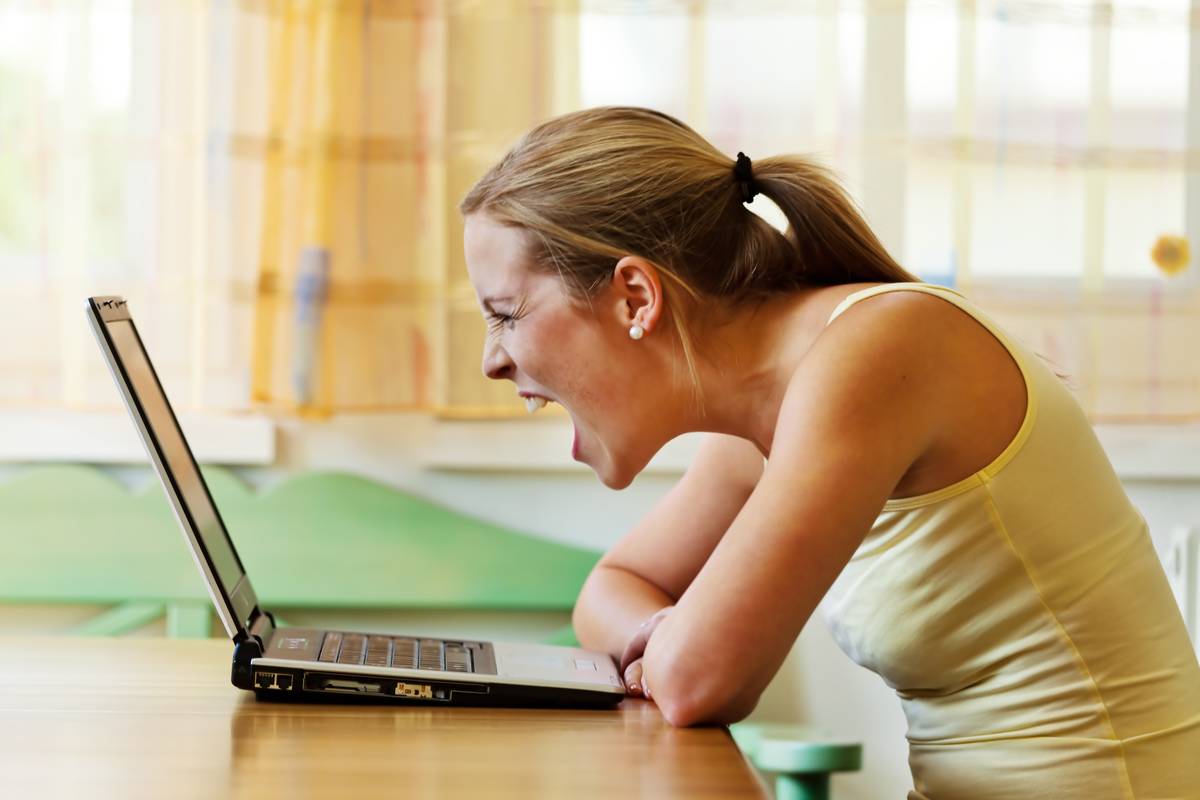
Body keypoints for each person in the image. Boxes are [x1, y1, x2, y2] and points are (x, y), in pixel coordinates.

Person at [458, 106, 1200, 798]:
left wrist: (673, 649)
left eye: (505, 314)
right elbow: (614, 586)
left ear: (635, 298)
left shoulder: (876, 352)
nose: (493, 361)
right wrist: (658, 635)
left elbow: (698, 682)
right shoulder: (772, 405)